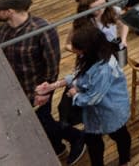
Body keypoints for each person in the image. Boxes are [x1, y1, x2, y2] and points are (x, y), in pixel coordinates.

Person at [0, 0, 86, 162]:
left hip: (39, 88)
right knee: (37, 120)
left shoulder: (43, 29)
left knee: (42, 119)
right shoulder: (4, 30)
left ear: (9, 11)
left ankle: (76, 137)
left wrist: (45, 91)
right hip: (17, 88)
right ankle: (57, 146)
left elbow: (52, 64)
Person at [38, 24, 131, 166]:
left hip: (111, 110)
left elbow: (93, 98)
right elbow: (78, 75)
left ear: (89, 49)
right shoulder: (91, 57)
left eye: (80, 52)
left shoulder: (104, 68)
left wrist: (74, 94)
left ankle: (124, 160)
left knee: (119, 135)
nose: (78, 55)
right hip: (95, 113)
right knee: (93, 142)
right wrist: (53, 85)